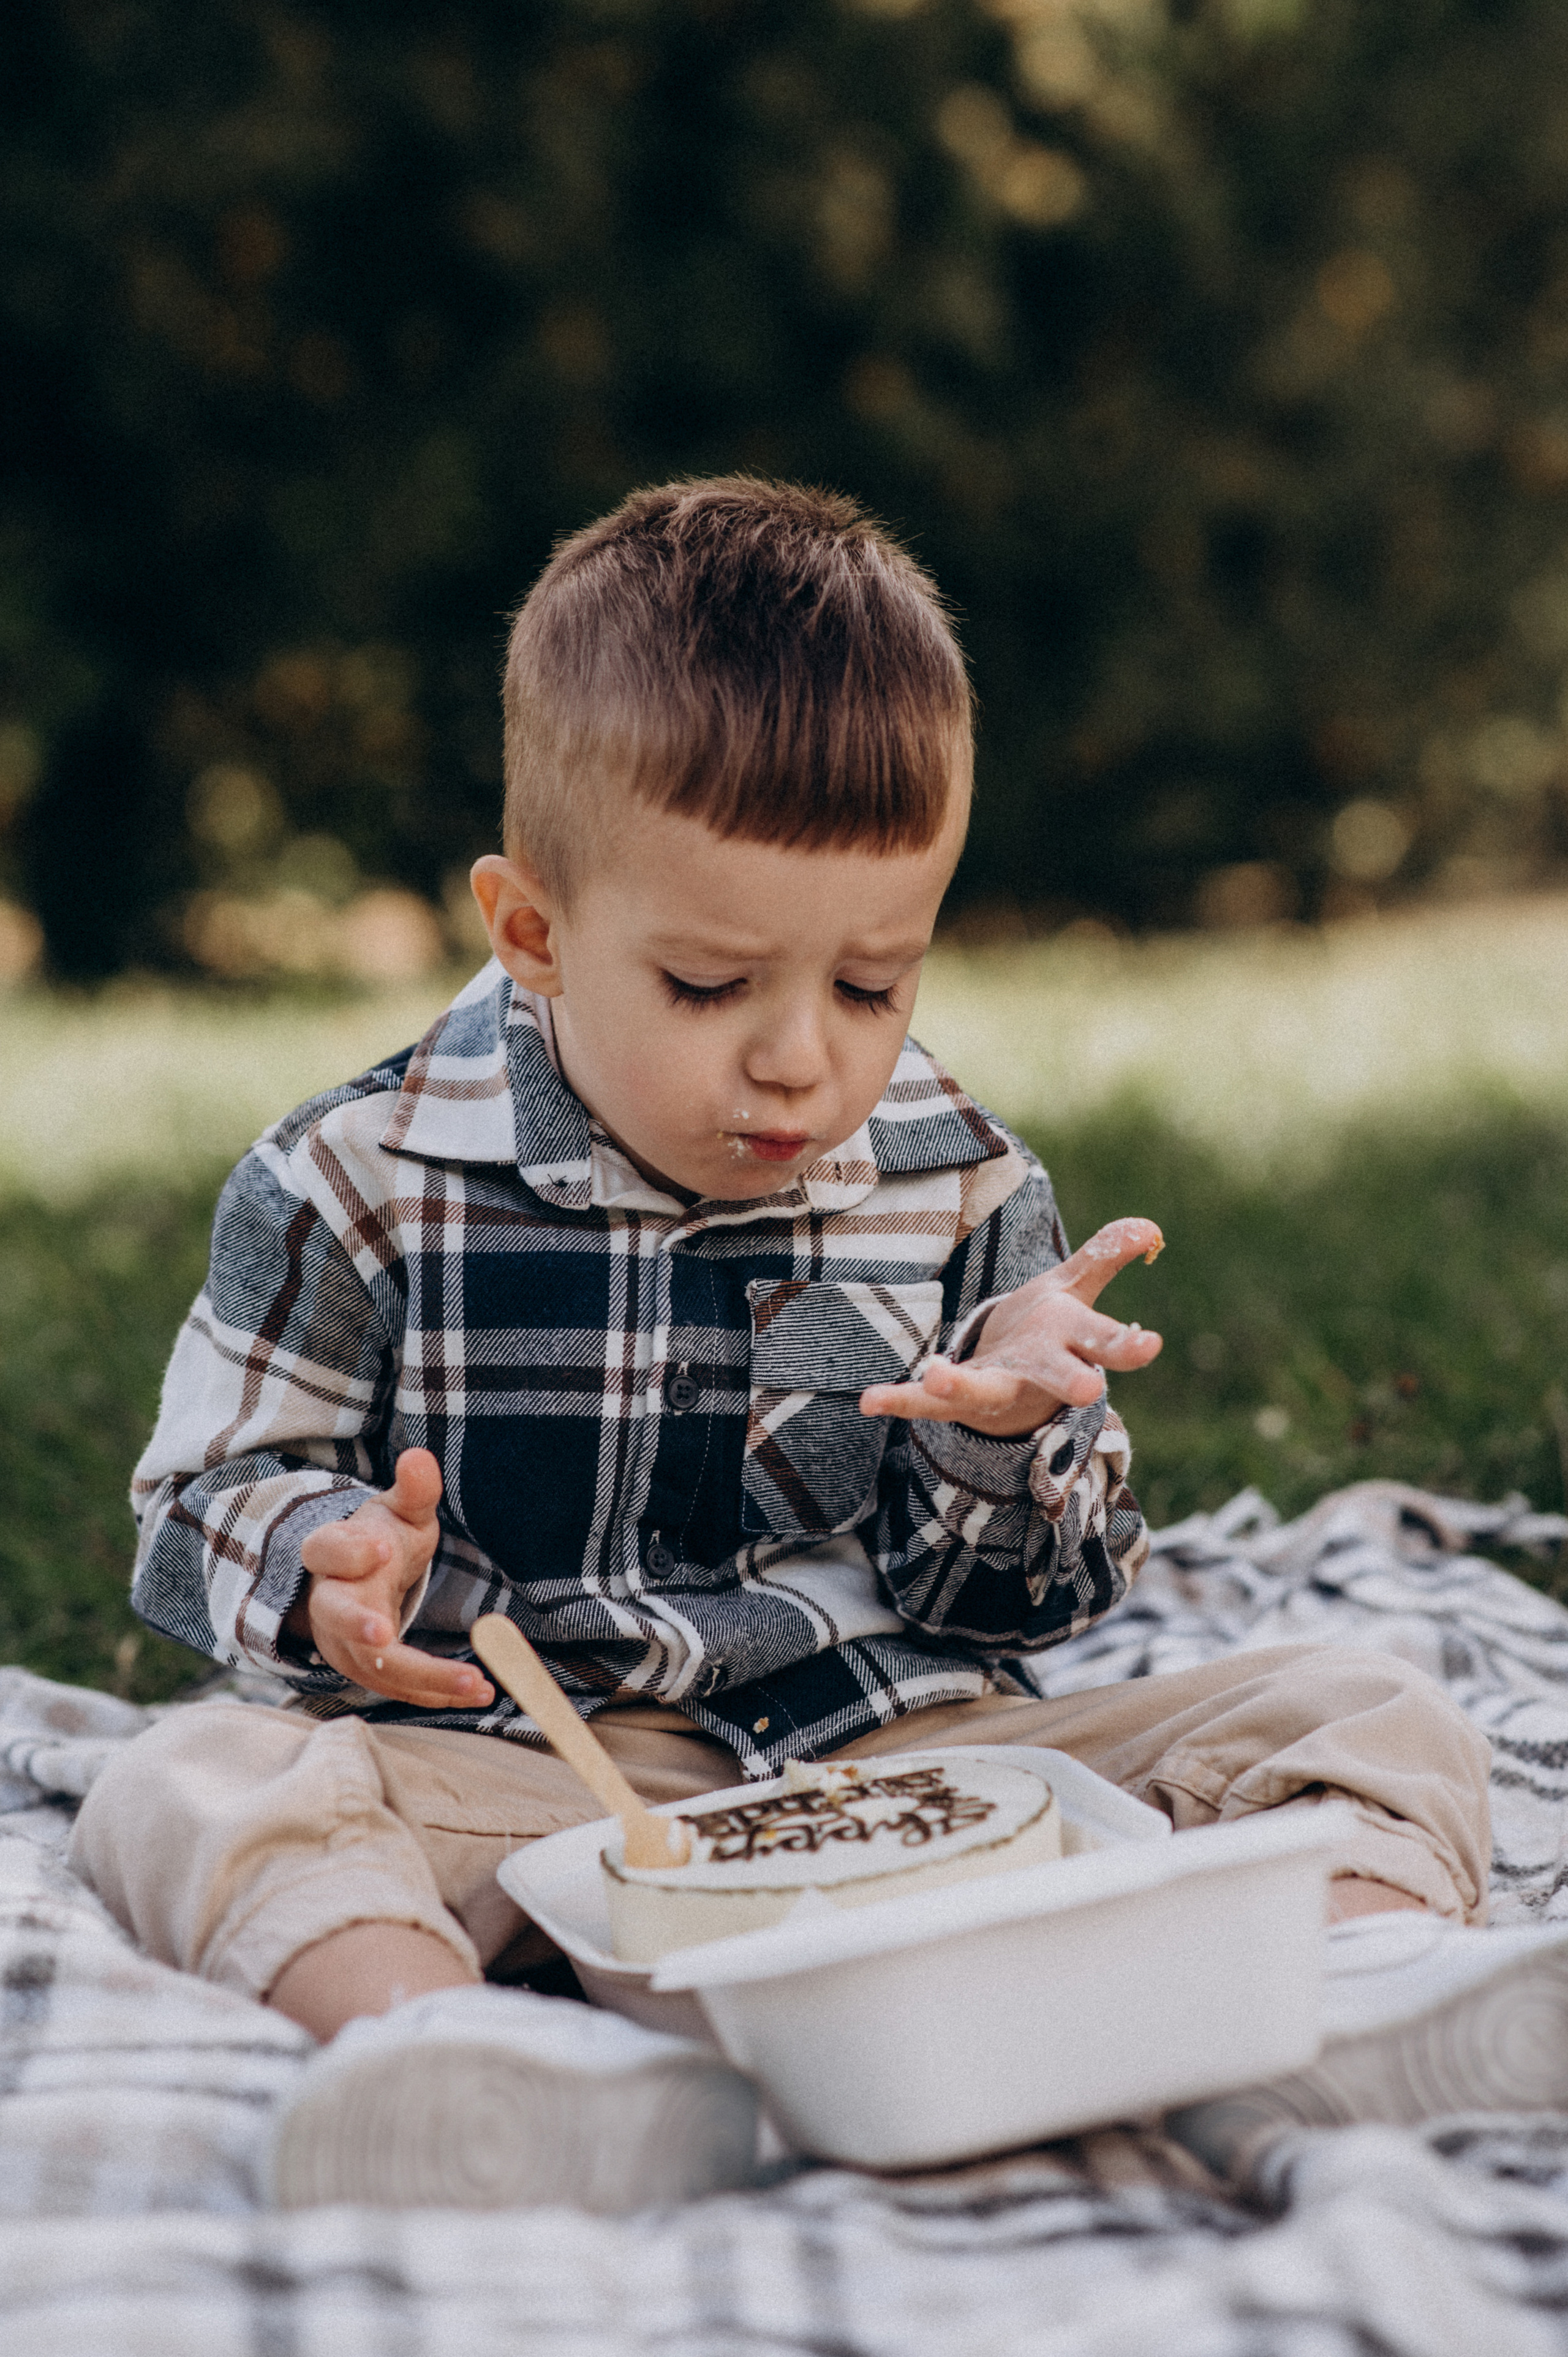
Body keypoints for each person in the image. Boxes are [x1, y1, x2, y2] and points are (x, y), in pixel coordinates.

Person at [72, 480, 1567, 2209]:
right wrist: (317, 1564)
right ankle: (450, 2058)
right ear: (533, 931)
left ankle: (1341, 2005)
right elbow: (196, 1502)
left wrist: (1005, 1449)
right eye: (711, 987)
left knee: (1370, 1703)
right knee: (189, 1776)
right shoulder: (354, 1181)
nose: (802, 1062)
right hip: (546, 1798)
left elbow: (1016, 1613)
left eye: (872, 986)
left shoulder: (965, 1185)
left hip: (917, 1774)